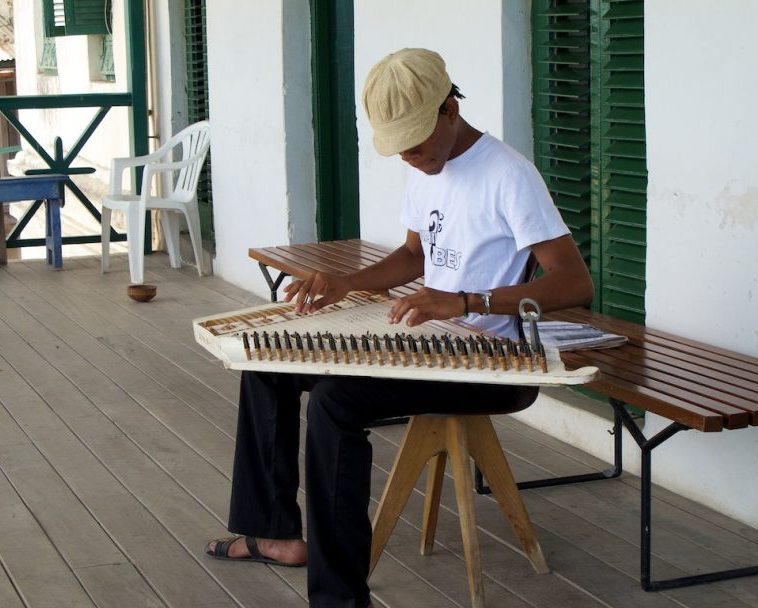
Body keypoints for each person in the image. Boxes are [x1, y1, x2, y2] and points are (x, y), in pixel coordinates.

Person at [205, 48, 594, 608]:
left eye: (416, 143)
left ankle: (339, 598)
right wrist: (349, 283)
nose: (410, 157)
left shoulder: (509, 175)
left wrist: (465, 301)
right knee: (267, 364)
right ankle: (276, 534)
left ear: (450, 108)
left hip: (492, 360)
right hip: (432, 344)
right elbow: (415, 255)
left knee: (336, 403)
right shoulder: (427, 170)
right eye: (401, 149)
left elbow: (575, 284)